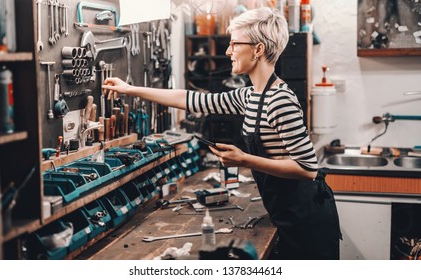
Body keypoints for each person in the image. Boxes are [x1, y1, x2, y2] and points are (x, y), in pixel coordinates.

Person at [102, 7, 341, 260]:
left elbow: (307, 169)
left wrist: (244, 160)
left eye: (235, 44)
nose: (228, 51)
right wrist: (130, 89)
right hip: (285, 213)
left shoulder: (280, 100)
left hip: (306, 222)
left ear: (258, 49)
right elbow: (190, 99)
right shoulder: (250, 96)